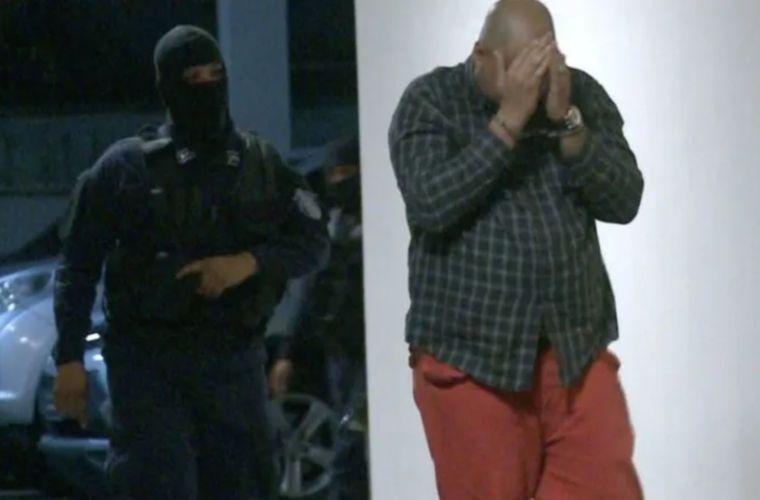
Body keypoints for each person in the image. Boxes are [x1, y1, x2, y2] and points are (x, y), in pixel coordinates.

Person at [52, 25, 329, 500]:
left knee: (243, 486)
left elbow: (313, 240)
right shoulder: (126, 168)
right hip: (148, 366)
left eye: (214, 74)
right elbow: (77, 266)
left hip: (233, 363)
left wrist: (246, 263)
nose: (206, 87)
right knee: (156, 484)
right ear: (167, 86)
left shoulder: (258, 163)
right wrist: (69, 359)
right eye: (192, 77)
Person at [388, 1, 645, 499]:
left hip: (574, 348)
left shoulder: (580, 96)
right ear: (481, 56)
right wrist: (508, 121)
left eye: (545, 63)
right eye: (522, 68)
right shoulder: (431, 101)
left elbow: (624, 200)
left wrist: (569, 124)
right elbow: (431, 203)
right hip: (471, 359)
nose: (535, 81)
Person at [268, 135, 367, 500]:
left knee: (350, 447)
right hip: (340, 351)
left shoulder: (381, 224)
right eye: (334, 174)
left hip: (372, 353)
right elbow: (311, 294)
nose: (339, 181)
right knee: (350, 443)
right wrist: (287, 354)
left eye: (347, 172)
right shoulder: (335, 225)